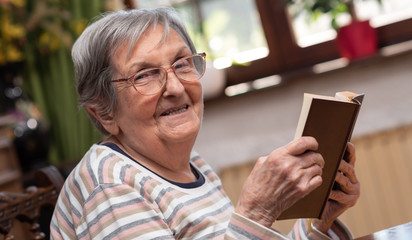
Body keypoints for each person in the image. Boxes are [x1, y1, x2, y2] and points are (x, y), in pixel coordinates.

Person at [50, 8, 360, 240]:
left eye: (182, 63)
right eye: (144, 75)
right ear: (104, 112)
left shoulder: (190, 162)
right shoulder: (110, 186)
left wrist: (319, 221)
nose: (175, 87)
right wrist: (256, 213)